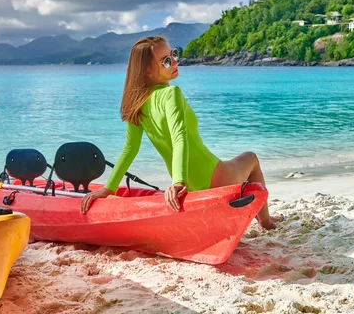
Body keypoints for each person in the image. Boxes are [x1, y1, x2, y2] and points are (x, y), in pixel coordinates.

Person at [80, 36, 277, 229]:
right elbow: (179, 138)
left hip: (188, 189)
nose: (175, 61)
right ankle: (266, 223)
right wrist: (177, 182)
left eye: (173, 54)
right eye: (166, 61)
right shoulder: (171, 94)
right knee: (251, 158)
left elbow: (129, 149)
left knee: (246, 160)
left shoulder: (137, 105)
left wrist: (108, 189)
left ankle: (260, 219)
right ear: (147, 70)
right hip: (217, 178)